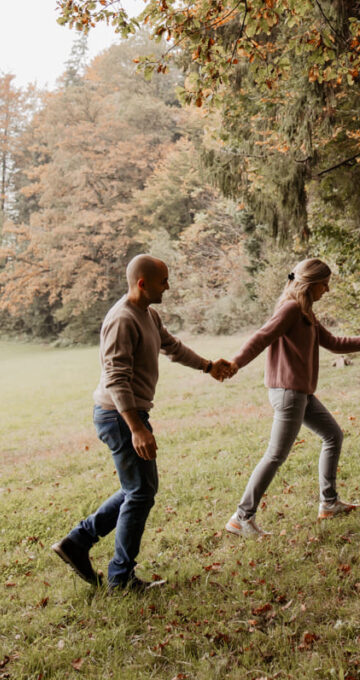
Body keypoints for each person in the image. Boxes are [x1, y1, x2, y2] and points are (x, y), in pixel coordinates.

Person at [52, 254, 232, 592]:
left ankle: (78, 542)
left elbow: (172, 347)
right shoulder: (122, 319)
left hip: (127, 414)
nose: (168, 285)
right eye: (164, 280)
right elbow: (116, 379)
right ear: (142, 283)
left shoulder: (148, 314)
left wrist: (208, 366)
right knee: (140, 492)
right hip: (119, 415)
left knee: (138, 489)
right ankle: (119, 577)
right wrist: (136, 427)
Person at [221, 258, 360, 537]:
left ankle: (329, 502)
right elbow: (261, 337)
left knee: (333, 435)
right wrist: (236, 363)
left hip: (301, 394)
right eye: (325, 284)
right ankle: (241, 517)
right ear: (311, 284)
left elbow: (333, 343)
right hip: (289, 393)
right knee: (275, 455)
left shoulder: (305, 312)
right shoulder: (289, 309)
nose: (328, 289)